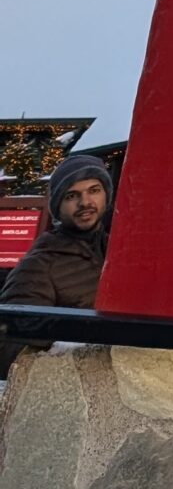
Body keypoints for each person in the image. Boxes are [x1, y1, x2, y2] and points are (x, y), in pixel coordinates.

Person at [0, 152, 115, 376]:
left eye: (94, 190)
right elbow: (9, 348)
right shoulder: (40, 264)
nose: (85, 202)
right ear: (58, 205)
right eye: (72, 195)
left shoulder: (118, 252)